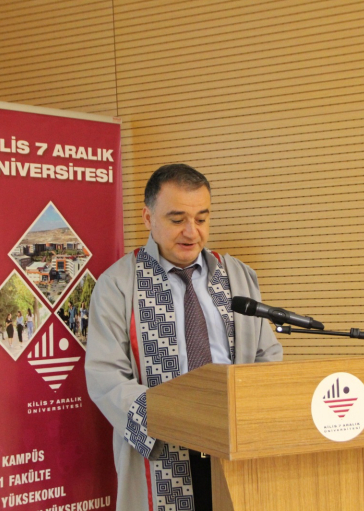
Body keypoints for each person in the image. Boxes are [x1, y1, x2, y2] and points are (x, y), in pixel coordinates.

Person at [85, 164, 283, 511]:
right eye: (177, 219)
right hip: (161, 447)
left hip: (235, 444)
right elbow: (106, 377)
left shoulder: (236, 276)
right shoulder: (119, 284)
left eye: (202, 219)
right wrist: (178, 416)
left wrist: (249, 415)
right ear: (148, 218)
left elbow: (267, 355)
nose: (192, 232)